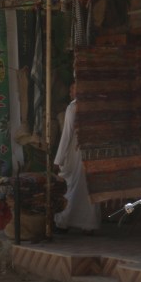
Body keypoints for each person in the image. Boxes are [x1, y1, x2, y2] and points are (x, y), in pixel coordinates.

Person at [53, 81, 100, 233]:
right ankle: (89, 225)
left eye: (72, 89)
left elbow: (67, 135)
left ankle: (63, 222)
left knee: (69, 187)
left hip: (76, 154)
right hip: (91, 152)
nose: (70, 93)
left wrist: (58, 160)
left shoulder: (73, 107)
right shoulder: (94, 106)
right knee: (87, 189)